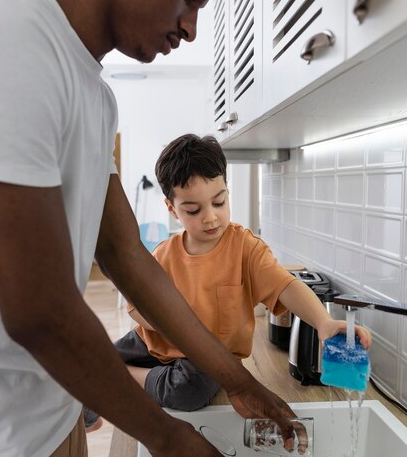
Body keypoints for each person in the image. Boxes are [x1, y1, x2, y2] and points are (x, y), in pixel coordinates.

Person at [0, 0, 363, 457]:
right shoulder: (12, 36)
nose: (191, 27)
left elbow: (128, 256)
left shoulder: (97, 97)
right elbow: (38, 311)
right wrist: (163, 437)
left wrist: (238, 380)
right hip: (2, 451)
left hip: (54, 421)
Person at [82, 133, 371, 423]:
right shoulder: (163, 255)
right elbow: (138, 308)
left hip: (207, 362)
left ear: (227, 192)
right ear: (172, 209)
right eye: (193, 210)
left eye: (219, 203)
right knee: (92, 364)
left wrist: (324, 322)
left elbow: (286, 285)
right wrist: (168, 322)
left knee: (190, 390)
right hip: (152, 344)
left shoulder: (246, 248)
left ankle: (128, 377)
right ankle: (90, 415)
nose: (210, 218)